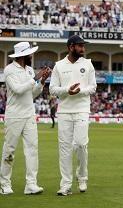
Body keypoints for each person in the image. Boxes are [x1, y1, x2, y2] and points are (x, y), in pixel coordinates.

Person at [0, 42, 51, 195]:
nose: (31, 56)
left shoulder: (29, 69)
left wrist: (41, 81)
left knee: (32, 149)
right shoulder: (9, 70)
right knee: (10, 149)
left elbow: (32, 93)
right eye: (29, 54)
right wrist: (35, 77)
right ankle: (4, 184)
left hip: (29, 114)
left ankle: (31, 184)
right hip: (14, 115)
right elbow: (18, 89)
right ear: (22, 55)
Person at [49, 34, 97, 196]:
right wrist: (67, 91)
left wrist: (79, 91)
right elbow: (53, 89)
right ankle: (66, 184)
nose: (83, 49)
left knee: (81, 144)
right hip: (64, 111)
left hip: (82, 109)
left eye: (83, 46)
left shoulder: (88, 64)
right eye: (80, 46)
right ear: (70, 47)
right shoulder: (59, 65)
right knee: (64, 149)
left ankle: (82, 176)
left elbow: (92, 88)